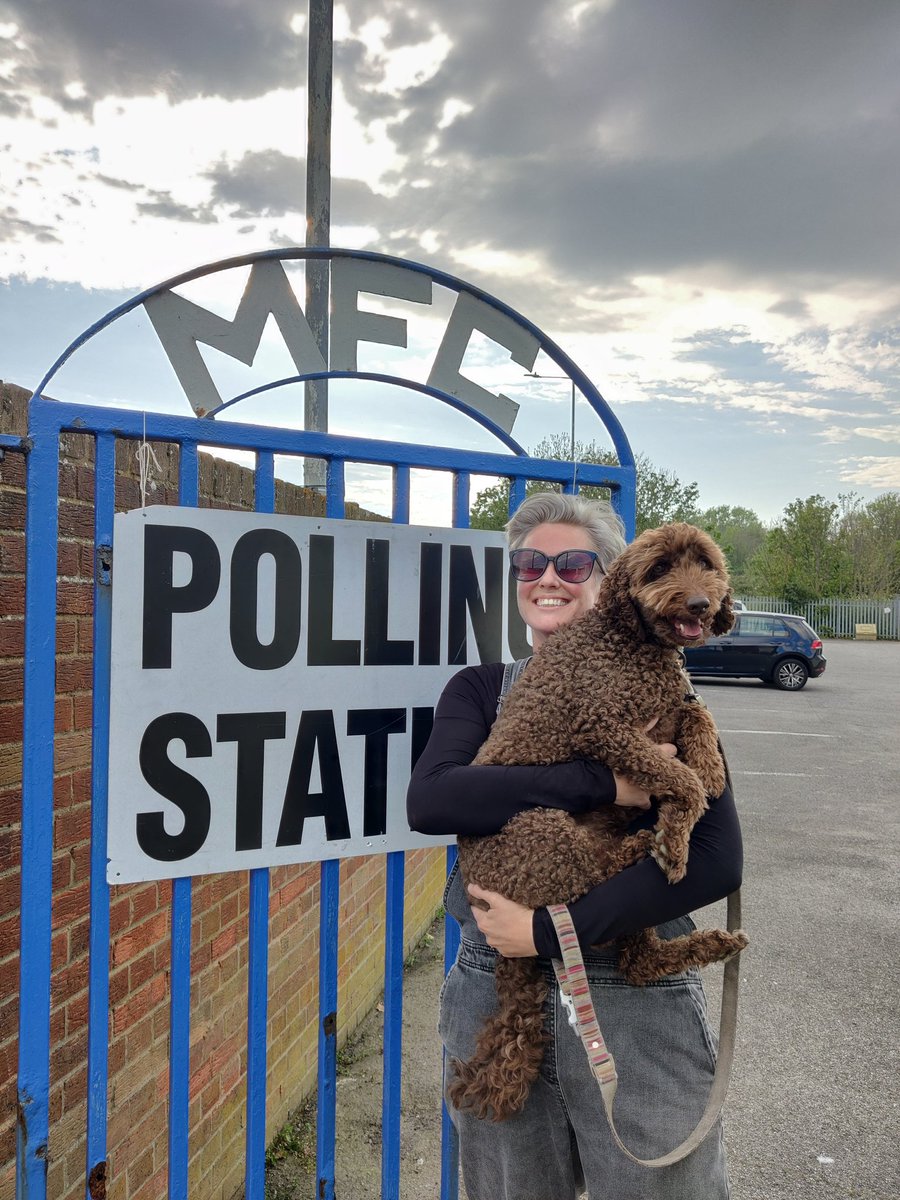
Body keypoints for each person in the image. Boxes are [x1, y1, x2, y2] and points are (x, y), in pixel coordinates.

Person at [406, 491, 742, 1200]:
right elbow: (434, 800)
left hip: (632, 1002)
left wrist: (550, 931)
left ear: (610, 581)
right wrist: (605, 785)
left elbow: (716, 858)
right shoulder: (480, 688)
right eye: (529, 563)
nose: (547, 576)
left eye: (572, 561)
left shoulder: (670, 694)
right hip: (492, 983)